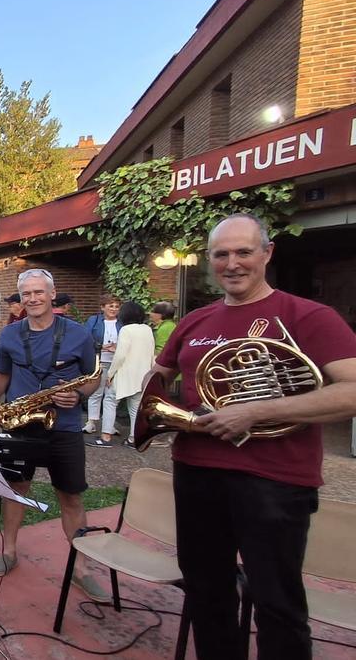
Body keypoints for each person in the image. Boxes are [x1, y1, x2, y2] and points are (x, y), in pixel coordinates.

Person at [149, 213, 356, 660]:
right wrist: (166, 411)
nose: (232, 263)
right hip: (197, 472)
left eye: (243, 252)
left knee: (277, 603)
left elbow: (352, 390)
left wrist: (256, 411)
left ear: (267, 253)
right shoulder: (195, 321)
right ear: (209, 259)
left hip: (275, 481)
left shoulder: (309, 316)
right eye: (221, 254)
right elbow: (157, 378)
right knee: (206, 591)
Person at [0, 268, 108, 601]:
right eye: (27, 293)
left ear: (52, 294)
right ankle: (9, 550)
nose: (33, 298)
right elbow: (1, 372)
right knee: (15, 489)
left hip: (63, 427)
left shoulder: (78, 334)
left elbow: (94, 376)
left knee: (71, 496)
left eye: (39, 292)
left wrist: (78, 395)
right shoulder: (10, 334)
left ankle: (81, 569)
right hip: (21, 424)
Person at [103, 302, 154, 446]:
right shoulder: (147, 329)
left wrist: (110, 374)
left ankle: (106, 436)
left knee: (110, 401)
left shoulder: (126, 330)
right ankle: (133, 438)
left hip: (124, 373)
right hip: (142, 374)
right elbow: (151, 354)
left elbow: (120, 356)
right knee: (135, 408)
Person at [82, 293, 121, 441]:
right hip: (99, 360)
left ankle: (109, 424)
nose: (114, 309)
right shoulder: (94, 320)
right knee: (96, 391)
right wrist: (100, 346)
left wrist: (118, 347)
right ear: (102, 307)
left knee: (112, 395)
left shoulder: (122, 323)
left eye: (116, 306)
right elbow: (86, 337)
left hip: (116, 362)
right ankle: (91, 422)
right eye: (110, 306)